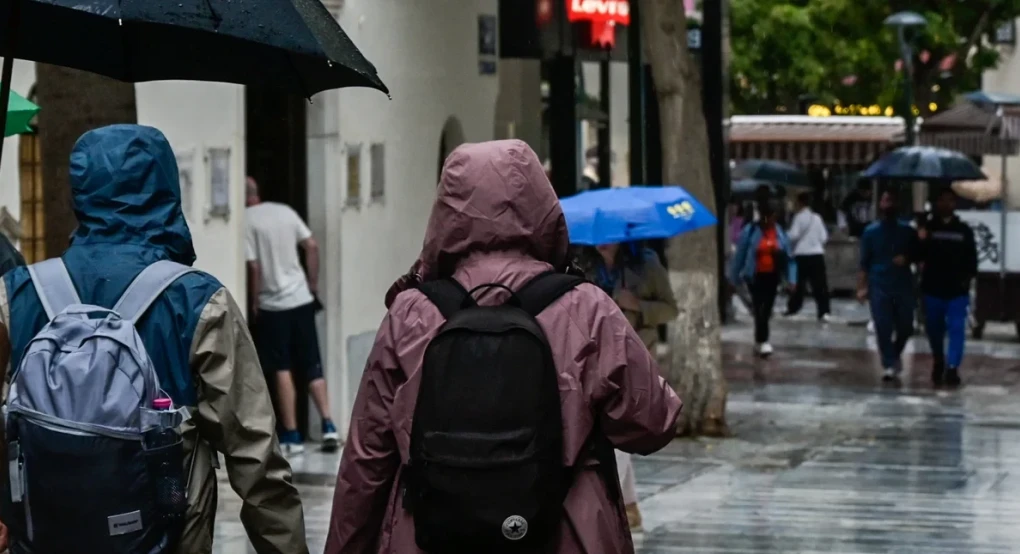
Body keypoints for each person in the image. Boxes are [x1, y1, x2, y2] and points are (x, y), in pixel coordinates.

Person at [326, 140, 682, 553]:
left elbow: (366, 460)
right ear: (541, 205)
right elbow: (653, 423)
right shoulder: (585, 308)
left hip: (429, 536)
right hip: (565, 535)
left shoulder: (411, 313)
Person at [0, 125, 306, 553]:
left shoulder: (16, 293)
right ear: (165, 189)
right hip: (167, 537)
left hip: (44, 534)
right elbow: (255, 455)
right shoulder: (199, 299)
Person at [578, 242, 679, 531]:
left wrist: (639, 306)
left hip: (635, 360)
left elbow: (670, 308)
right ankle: (629, 507)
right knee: (611, 432)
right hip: (593, 359)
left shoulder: (646, 263)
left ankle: (609, 505)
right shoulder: (584, 264)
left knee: (620, 431)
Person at [245, 177, 339, 454]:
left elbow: (254, 267)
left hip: (273, 306)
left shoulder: (246, 221)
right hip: (301, 299)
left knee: (282, 368)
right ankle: (328, 425)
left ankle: (293, 435)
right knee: (312, 364)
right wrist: (311, 282)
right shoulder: (284, 211)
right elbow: (312, 245)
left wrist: (253, 302)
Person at [857, 189, 920, 382]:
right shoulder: (870, 232)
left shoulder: (908, 232)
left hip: (903, 284)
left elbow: (919, 254)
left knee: (906, 326)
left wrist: (908, 258)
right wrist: (862, 286)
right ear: (880, 205)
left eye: (892, 200)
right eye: (885, 200)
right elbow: (864, 263)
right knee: (883, 326)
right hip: (879, 284)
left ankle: (895, 352)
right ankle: (889, 362)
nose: (888, 204)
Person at [918, 188, 978, 387]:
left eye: (950, 200)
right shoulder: (928, 229)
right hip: (932, 289)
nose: (947, 204)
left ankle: (952, 367)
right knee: (934, 329)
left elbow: (972, 259)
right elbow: (918, 256)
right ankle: (938, 359)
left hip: (956, 291)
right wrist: (921, 239)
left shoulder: (963, 230)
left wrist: (966, 280)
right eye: (942, 200)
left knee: (956, 329)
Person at [729, 199, 797, 358]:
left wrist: (792, 279)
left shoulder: (780, 233)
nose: (770, 220)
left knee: (767, 309)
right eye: (767, 216)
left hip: (773, 276)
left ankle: (760, 339)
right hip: (755, 276)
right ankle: (762, 340)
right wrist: (733, 279)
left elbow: (789, 258)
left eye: (773, 216)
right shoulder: (750, 231)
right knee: (759, 308)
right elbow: (740, 256)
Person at [785, 192, 831, 321]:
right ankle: (823, 311)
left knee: (799, 284)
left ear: (800, 203)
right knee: (820, 285)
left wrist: (786, 236)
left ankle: (793, 307)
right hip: (817, 254)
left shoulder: (798, 217)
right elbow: (824, 237)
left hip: (802, 255)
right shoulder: (817, 218)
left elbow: (793, 235)